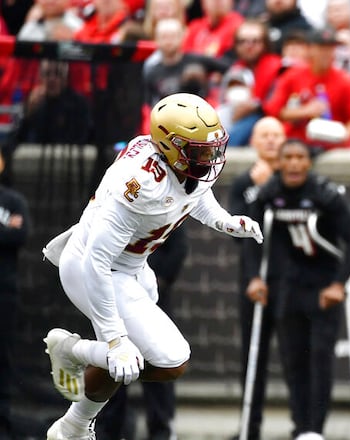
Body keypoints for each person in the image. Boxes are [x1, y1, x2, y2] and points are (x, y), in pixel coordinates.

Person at [40, 93, 263, 440]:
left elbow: (195, 194)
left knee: (128, 363)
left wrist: (225, 221)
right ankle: (73, 350)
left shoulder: (183, 163)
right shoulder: (137, 185)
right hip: (93, 269)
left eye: (211, 147)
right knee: (169, 360)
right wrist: (113, 340)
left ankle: (72, 427)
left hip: (133, 269)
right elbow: (96, 262)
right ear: (171, 147)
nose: (210, 156)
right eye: (199, 149)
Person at [242, 138, 350, 440]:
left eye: (300, 157)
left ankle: (315, 431)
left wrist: (339, 284)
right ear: (279, 163)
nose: (294, 163)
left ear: (308, 163)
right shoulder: (268, 195)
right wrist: (255, 277)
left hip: (322, 288)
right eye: (288, 158)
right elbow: (250, 238)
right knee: (293, 361)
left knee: (319, 361)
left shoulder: (325, 194)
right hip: (287, 288)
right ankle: (300, 428)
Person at [93, 225, 189, 440]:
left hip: (149, 298)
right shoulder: (117, 207)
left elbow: (179, 248)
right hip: (115, 298)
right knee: (114, 362)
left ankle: (161, 429)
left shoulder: (165, 205)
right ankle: (109, 429)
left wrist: (158, 283)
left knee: (160, 362)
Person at [227, 116, 286, 440]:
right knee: (253, 357)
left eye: (277, 135)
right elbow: (239, 233)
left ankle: (304, 429)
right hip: (255, 278)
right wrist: (257, 191)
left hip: (290, 278)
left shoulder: (294, 173)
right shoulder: (243, 183)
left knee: (295, 357)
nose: (271, 141)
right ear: (254, 141)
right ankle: (250, 428)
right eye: (265, 135)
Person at [0, 150, 31, 438]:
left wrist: (9, 232)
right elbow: (9, 234)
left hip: (5, 291)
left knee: (4, 357)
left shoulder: (13, 200)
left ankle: (4, 422)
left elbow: (21, 235)